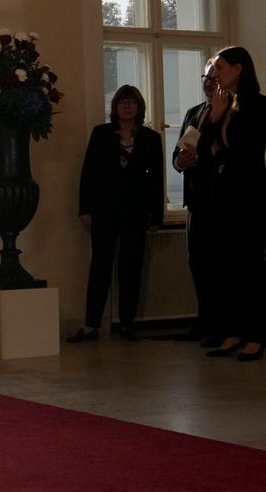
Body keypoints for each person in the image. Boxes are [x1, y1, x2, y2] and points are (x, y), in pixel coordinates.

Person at [68, 84, 164, 343]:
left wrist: (156, 216)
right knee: (100, 265)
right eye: (122, 101)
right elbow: (88, 172)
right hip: (104, 211)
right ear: (115, 106)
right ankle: (91, 325)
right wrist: (85, 208)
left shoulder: (151, 138)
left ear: (139, 107)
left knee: (131, 268)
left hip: (136, 212)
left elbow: (156, 180)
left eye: (132, 101)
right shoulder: (101, 134)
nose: (127, 105)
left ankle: (127, 324)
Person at [198, 46, 266, 362]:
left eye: (220, 67)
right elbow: (203, 148)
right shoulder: (220, 105)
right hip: (221, 196)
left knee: (250, 267)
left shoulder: (260, 104)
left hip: (250, 197)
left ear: (239, 68)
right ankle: (232, 332)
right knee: (225, 268)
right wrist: (215, 118)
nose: (215, 74)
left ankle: (256, 336)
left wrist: (220, 151)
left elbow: (248, 152)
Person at [173, 60, 222, 348]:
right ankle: (205, 321)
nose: (208, 82)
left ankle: (221, 323)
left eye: (214, 77)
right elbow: (178, 152)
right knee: (199, 263)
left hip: (219, 198)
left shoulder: (229, 112)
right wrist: (180, 162)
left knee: (219, 265)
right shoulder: (194, 112)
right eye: (205, 77)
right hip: (196, 200)